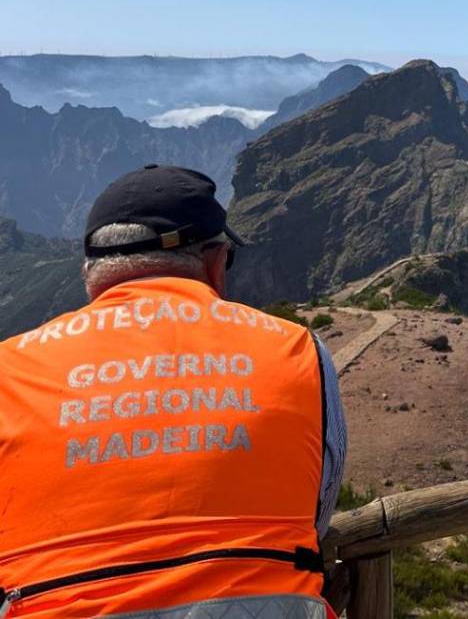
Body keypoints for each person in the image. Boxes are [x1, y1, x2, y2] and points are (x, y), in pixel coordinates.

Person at [0, 165, 346, 619]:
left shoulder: (9, 369)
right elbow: (316, 510)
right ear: (216, 262)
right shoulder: (300, 350)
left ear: (90, 272)